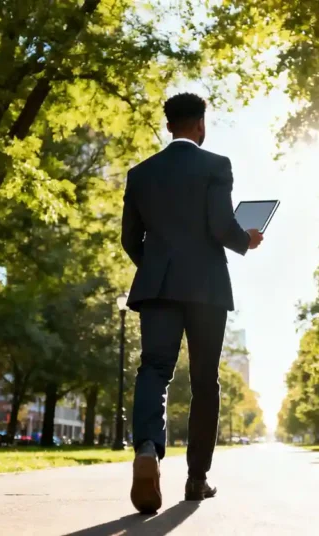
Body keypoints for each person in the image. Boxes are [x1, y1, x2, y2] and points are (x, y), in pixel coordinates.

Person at [120, 92, 263, 514]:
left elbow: (130, 239)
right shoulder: (215, 166)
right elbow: (221, 225)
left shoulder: (140, 173)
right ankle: (197, 479)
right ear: (200, 125)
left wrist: (155, 270)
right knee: (205, 381)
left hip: (158, 285)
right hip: (206, 286)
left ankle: (147, 447)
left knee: (154, 369)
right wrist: (247, 241)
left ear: (169, 127)